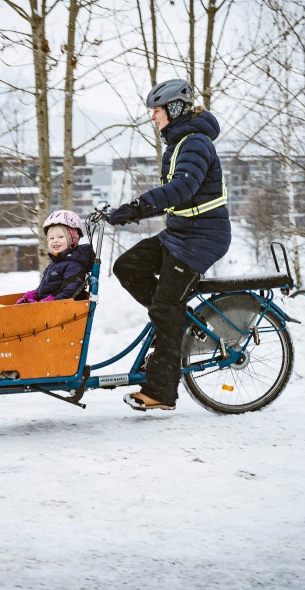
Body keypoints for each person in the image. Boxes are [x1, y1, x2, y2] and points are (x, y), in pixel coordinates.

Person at [105, 79, 231, 411]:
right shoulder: (179, 143)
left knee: (164, 308)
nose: (153, 117)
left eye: (157, 110)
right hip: (180, 234)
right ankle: (179, 321)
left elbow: (182, 189)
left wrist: (137, 207)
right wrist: (127, 210)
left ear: (174, 109)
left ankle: (161, 392)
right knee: (127, 267)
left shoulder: (195, 143)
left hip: (202, 238)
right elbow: (179, 196)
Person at [16, 209, 93, 304]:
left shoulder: (74, 265)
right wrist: (36, 293)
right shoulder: (57, 263)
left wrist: (51, 300)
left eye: (60, 237)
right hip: (49, 306)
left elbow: (70, 291)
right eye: (51, 238)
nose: (55, 241)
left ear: (72, 240)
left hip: (62, 308)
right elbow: (49, 287)